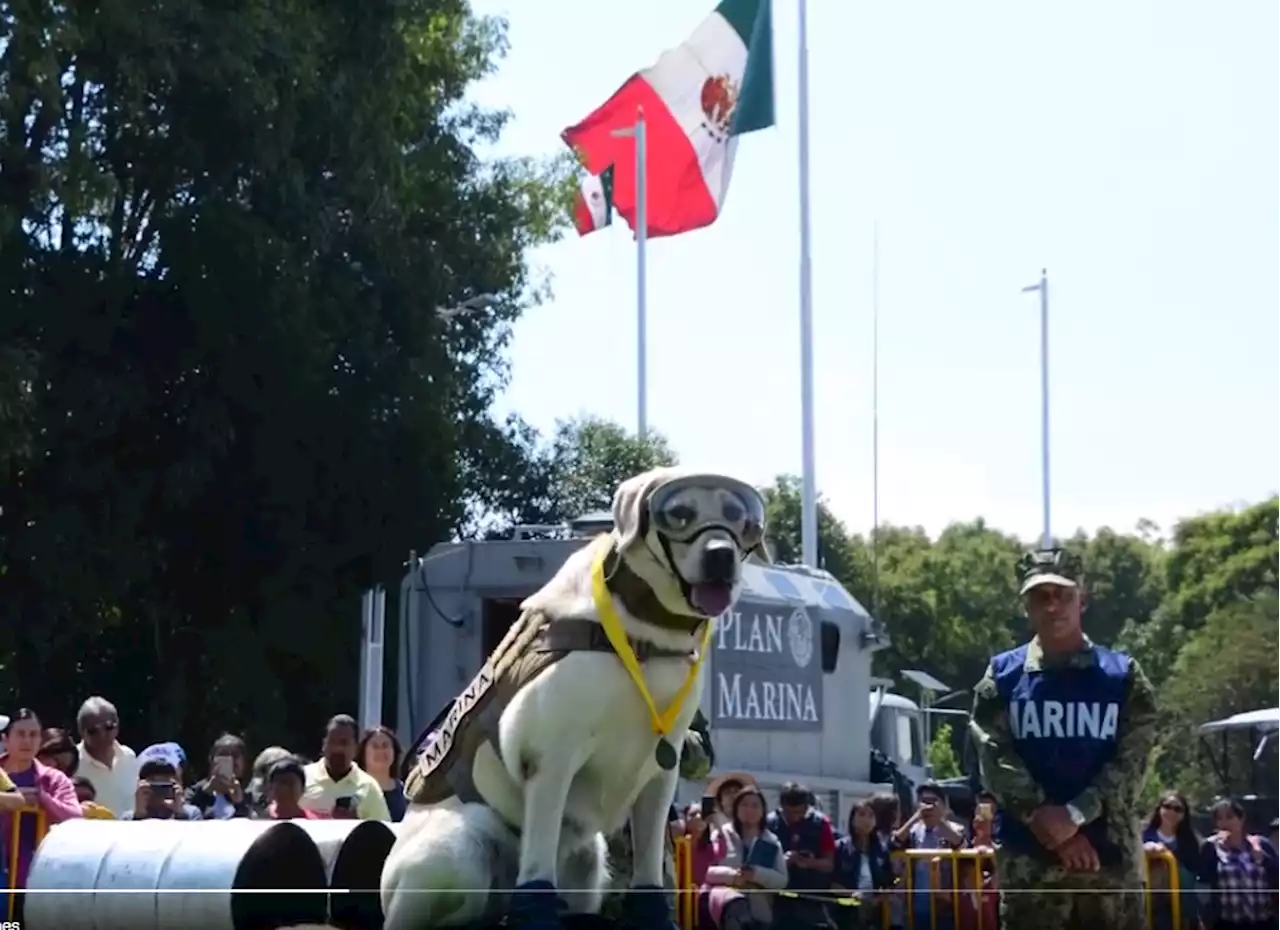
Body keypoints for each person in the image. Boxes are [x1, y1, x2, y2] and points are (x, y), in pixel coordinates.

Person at [969, 547, 1157, 930]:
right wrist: (1046, 823)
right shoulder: (1002, 678)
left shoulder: (1124, 678)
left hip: (1109, 868)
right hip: (1031, 871)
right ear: (1026, 606)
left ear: (1082, 601)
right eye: (1040, 596)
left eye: (1063, 595)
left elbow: (1131, 764)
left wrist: (1073, 816)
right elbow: (994, 756)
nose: (1052, 606)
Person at [0, 709, 83, 898]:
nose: (27, 741)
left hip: (35, 878)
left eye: (33, 735)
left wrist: (44, 799)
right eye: (21, 734)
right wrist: (9, 800)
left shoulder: (53, 779)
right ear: (5, 739)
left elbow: (76, 818)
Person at [704, 786, 789, 930]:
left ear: (763, 811)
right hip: (724, 913)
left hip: (760, 915)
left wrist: (757, 874)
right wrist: (732, 876)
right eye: (744, 805)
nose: (749, 810)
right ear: (736, 808)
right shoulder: (721, 835)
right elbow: (704, 871)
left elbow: (782, 880)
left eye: (755, 805)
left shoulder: (771, 841)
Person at [891, 781, 966, 930]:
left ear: (944, 805)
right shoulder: (912, 830)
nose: (928, 807)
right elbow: (895, 843)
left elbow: (962, 845)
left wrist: (940, 821)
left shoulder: (956, 829)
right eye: (924, 802)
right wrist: (915, 818)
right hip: (916, 901)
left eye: (933, 802)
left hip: (945, 902)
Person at [1196, 797, 1279, 930]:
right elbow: (1203, 883)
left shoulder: (1260, 844)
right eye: (1220, 818)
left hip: (1264, 921)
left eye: (1230, 817)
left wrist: (1263, 858)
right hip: (1228, 922)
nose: (1225, 823)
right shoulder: (1211, 847)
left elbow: (1276, 876)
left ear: (1241, 819)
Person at [300, 714, 390, 820]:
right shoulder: (302, 778)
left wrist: (354, 823)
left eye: (344, 743)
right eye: (332, 742)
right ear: (324, 744)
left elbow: (383, 831)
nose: (337, 749)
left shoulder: (369, 787)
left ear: (356, 748)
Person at [1142, 790, 1201, 930]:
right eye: (1167, 806)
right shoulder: (1142, 835)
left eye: (1178, 809)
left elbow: (1193, 877)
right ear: (1159, 808)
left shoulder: (1191, 841)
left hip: (1180, 908)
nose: (1172, 812)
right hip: (1149, 906)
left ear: (1184, 814)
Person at [831, 798, 892, 929]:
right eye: (862, 814)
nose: (866, 820)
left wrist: (881, 897)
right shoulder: (840, 848)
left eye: (871, 815)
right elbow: (831, 883)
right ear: (852, 819)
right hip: (846, 914)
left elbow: (888, 881)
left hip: (875, 914)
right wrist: (851, 894)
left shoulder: (881, 849)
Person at [75, 696, 138, 817]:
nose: (102, 735)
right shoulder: (73, 762)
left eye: (108, 727)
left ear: (117, 726)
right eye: (93, 731)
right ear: (81, 731)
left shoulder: (129, 756)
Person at [123, 743, 202, 821]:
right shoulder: (128, 818)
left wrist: (180, 815)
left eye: (166, 783)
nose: (160, 790)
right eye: (153, 782)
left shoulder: (192, 814)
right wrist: (139, 816)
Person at [187, 733, 252, 819]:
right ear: (211, 760)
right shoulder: (194, 792)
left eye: (235, 755)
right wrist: (205, 794)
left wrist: (239, 803)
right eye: (223, 754)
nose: (230, 759)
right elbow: (186, 816)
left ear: (244, 762)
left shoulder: (250, 795)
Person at [355, 726, 407, 822]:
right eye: (375, 746)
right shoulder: (354, 788)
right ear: (363, 753)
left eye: (385, 746)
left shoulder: (405, 792)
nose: (380, 751)